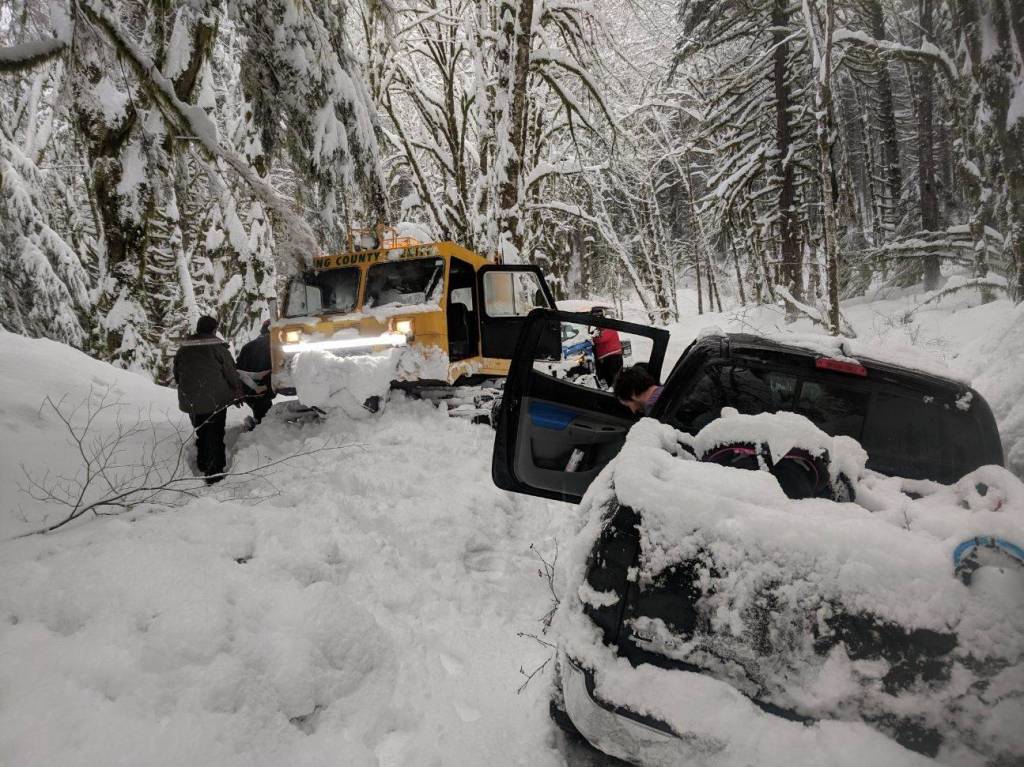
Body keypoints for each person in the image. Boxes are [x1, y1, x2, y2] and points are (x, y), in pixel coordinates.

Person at [173, 315, 242, 484]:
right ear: (213, 330)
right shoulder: (218, 349)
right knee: (216, 433)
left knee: (202, 431)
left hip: (191, 400)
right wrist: (237, 390)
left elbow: (177, 374)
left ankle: (203, 463)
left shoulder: (183, 349)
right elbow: (231, 372)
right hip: (215, 399)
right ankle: (215, 472)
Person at [235, 319, 275, 429]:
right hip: (263, 387)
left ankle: (258, 426)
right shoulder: (275, 346)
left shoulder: (248, 346)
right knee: (264, 417)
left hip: (248, 389)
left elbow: (237, 368)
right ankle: (258, 432)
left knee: (262, 410)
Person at [590, 308, 624, 388]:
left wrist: (592, 337)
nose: (595, 319)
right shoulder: (598, 328)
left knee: (615, 382)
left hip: (613, 358)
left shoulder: (608, 325)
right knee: (608, 380)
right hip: (605, 359)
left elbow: (600, 339)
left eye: (597, 316)